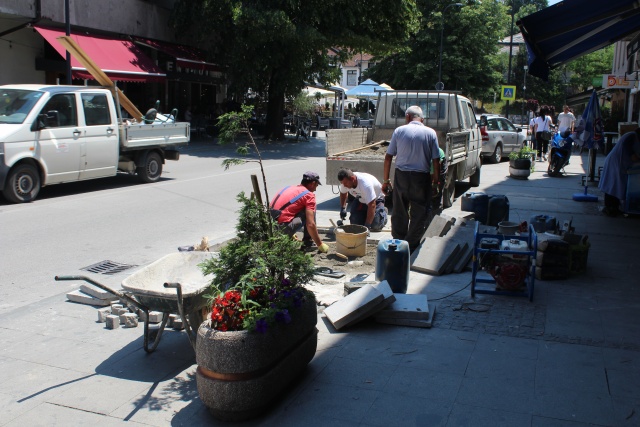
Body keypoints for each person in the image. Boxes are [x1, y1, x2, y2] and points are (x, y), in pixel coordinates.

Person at [382, 105, 440, 253]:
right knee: (419, 212)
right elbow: (436, 160)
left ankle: (398, 243)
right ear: (422, 119)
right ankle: (411, 245)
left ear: (407, 117)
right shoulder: (430, 133)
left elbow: (388, 157)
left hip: (401, 176)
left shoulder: (399, 131)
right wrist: (435, 181)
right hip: (421, 178)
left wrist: (386, 180)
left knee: (399, 210)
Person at [271, 171, 329, 252]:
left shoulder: (289, 188)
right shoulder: (309, 195)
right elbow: (310, 224)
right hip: (282, 229)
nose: (315, 189)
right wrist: (320, 244)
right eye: (316, 185)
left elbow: (284, 210)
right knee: (310, 211)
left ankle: (287, 234)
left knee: (301, 208)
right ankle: (308, 243)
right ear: (312, 183)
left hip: (269, 227)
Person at [598, 127, 640, 216]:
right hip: (616, 162)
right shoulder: (631, 136)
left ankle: (613, 207)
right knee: (613, 184)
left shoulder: (631, 136)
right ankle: (610, 207)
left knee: (614, 184)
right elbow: (633, 156)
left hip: (618, 162)